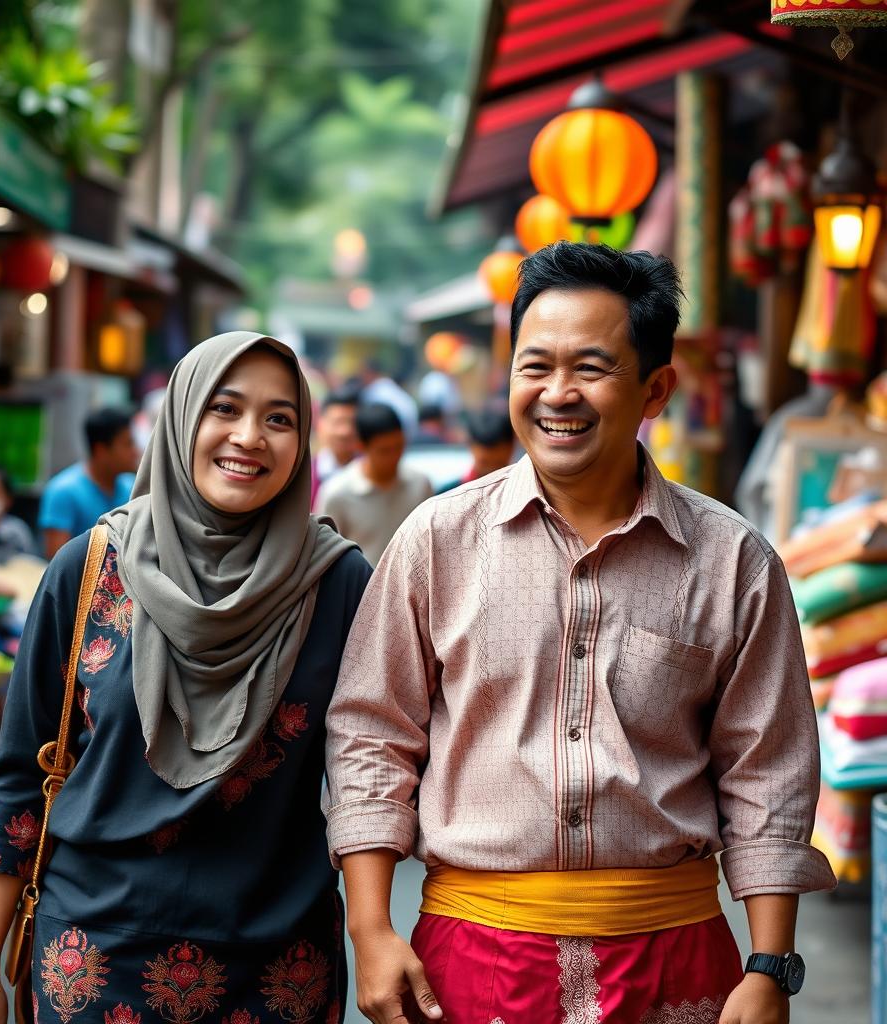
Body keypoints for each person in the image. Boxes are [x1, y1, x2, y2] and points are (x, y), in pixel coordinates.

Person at [325, 242, 835, 1024]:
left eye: (591, 368)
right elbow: (371, 733)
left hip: (676, 960)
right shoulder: (436, 541)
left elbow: (767, 769)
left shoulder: (734, 562)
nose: (557, 393)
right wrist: (370, 928)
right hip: (473, 955)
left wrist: (769, 967)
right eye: (535, 366)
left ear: (655, 388)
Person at [0, 332, 370, 1024]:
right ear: (180, 417)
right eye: (224, 408)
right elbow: (21, 780)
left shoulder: (336, 584)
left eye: (279, 418)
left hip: (277, 974)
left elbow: (366, 775)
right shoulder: (88, 570)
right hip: (93, 961)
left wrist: (373, 928)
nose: (249, 437)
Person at [316, 403, 432, 566]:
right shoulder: (337, 493)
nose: (394, 456)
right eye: (384, 450)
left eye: (399, 446)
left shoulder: (420, 485)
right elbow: (325, 555)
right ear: (361, 446)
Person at [39, 408, 139, 559]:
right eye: (127, 444)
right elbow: (58, 561)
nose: (135, 452)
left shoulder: (132, 488)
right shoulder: (63, 492)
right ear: (101, 450)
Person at [437, 407, 515, 493]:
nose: (492, 472)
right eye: (484, 463)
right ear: (470, 447)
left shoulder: (525, 492)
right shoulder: (447, 494)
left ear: (512, 447)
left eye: (499, 464)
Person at [313, 386, 361, 496]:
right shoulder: (304, 475)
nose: (345, 431)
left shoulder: (370, 473)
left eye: (352, 423)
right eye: (337, 422)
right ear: (320, 425)